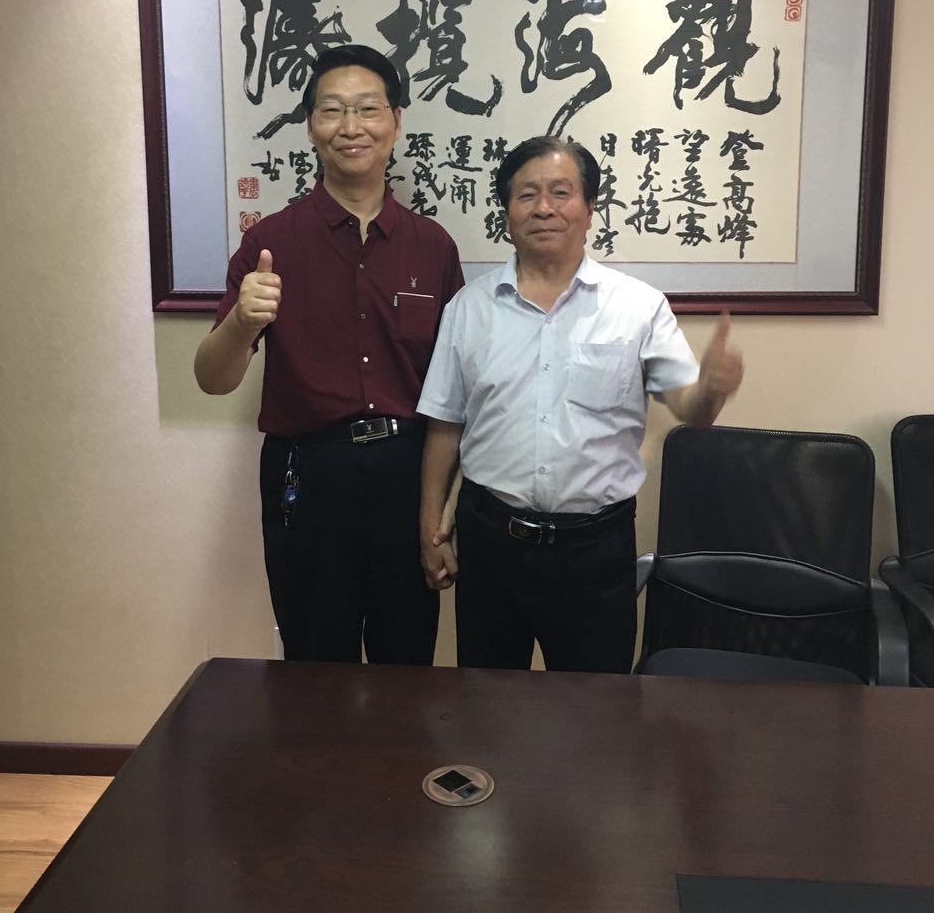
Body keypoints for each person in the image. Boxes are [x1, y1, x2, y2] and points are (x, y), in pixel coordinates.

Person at [416, 135, 743, 673]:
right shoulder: (468, 308)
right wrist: (431, 530)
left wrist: (712, 387)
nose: (544, 208)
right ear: (506, 214)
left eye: (561, 192)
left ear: (590, 209)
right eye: (526, 195)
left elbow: (692, 410)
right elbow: (445, 427)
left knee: (598, 708)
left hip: (594, 551)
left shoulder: (637, 306)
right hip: (491, 542)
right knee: (487, 703)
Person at [195, 45, 463, 664]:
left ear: (396, 122)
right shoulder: (270, 242)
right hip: (309, 473)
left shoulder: (432, 246)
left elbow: (454, 392)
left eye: (368, 109)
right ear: (310, 127)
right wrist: (241, 320)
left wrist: (442, 506)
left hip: (406, 473)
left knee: (407, 660)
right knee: (315, 666)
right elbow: (213, 378)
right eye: (332, 110)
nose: (351, 127)